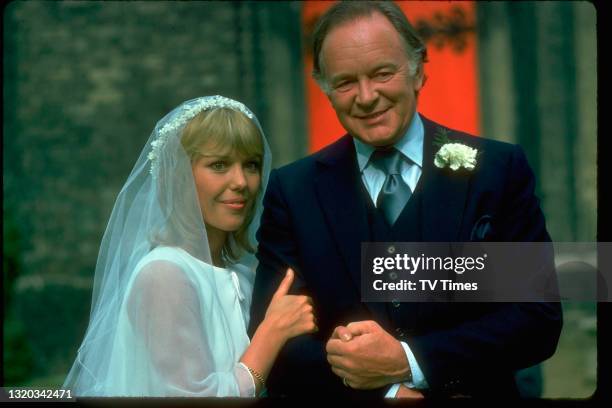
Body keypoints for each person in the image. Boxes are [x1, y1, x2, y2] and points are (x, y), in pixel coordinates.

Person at [248, 1, 562, 398]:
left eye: (382, 73)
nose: (366, 96)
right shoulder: (293, 191)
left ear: (418, 71)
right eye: (345, 82)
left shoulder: (499, 171)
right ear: (324, 88)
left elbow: (538, 319)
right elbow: (273, 337)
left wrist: (410, 361)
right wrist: (384, 392)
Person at [63, 95, 317, 397]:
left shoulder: (242, 275)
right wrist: (272, 332)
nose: (241, 181)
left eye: (250, 164)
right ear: (179, 176)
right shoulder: (164, 275)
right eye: (219, 164)